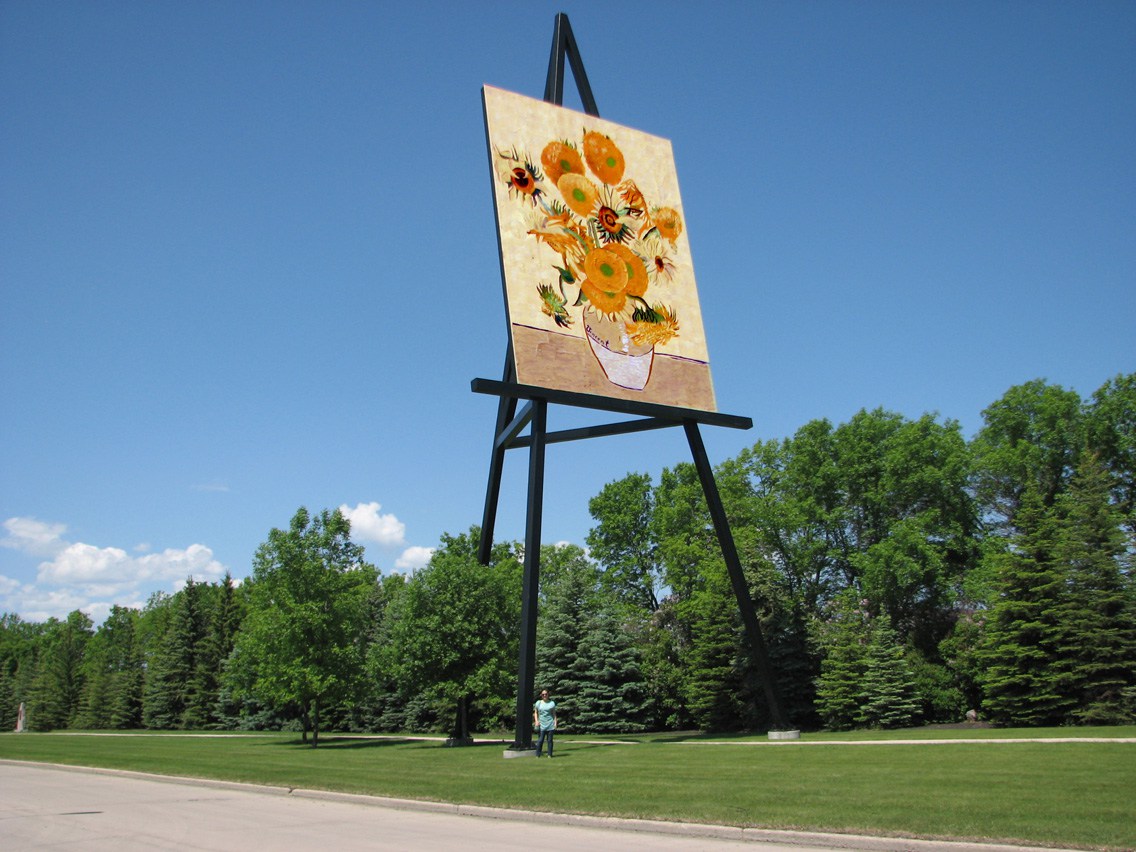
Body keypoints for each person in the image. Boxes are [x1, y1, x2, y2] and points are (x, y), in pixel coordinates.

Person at [532, 688, 557, 757]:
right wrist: (536, 721)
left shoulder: (552, 703)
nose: (544, 696)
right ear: (541, 695)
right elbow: (536, 713)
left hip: (550, 724)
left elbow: (554, 714)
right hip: (541, 724)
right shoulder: (538, 703)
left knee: (549, 740)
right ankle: (538, 754)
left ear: (548, 695)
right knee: (540, 740)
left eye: (546, 694)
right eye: (543, 694)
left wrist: (555, 723)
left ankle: (549, 754)